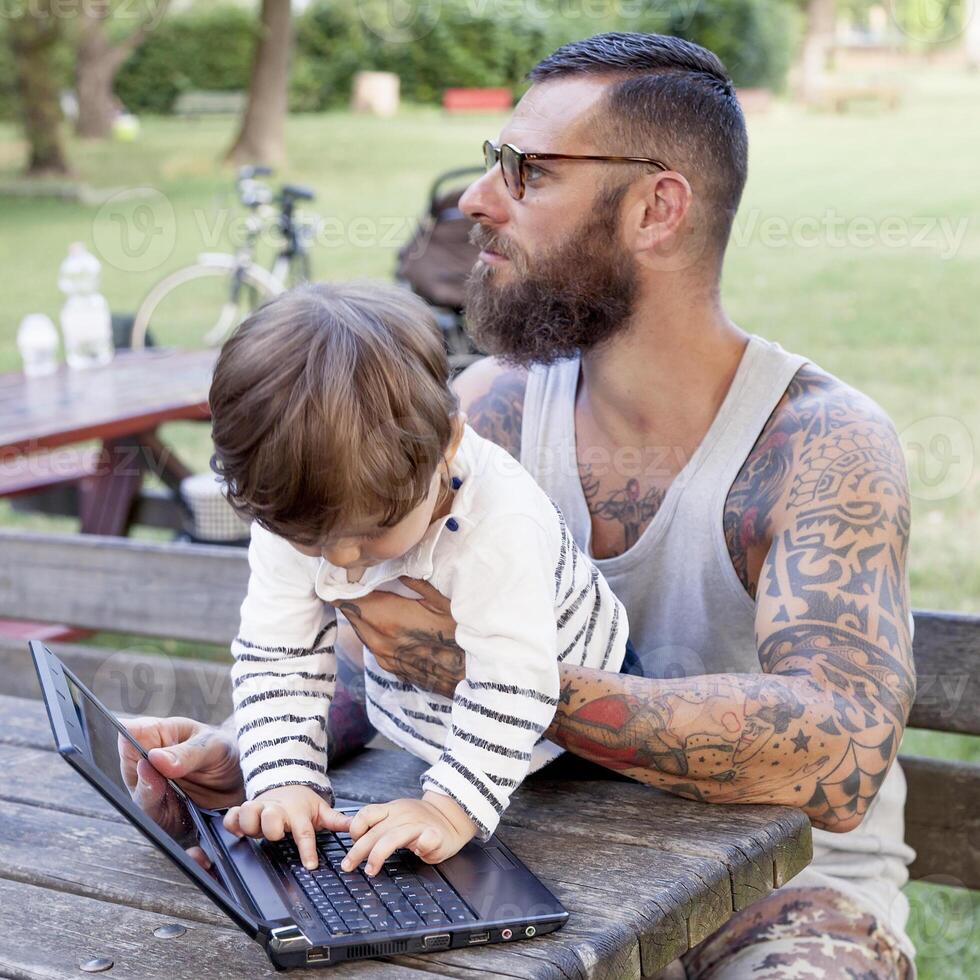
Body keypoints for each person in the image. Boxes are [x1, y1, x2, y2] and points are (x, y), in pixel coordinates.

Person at [121, 32, 916, 979]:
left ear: (657, 208)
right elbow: (367, 647)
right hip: (532, 855)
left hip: (778, 897)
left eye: (527, 171)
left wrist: (489, 673)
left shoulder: (822, 446)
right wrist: (255, 757)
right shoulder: (483, 407)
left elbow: (841, 759)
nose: (475, 199)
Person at [206, 280, 629, 876]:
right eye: (314, 542)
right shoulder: (297, 506)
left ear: (447, 445)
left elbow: (515, 681)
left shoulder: (498, 523)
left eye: (373, 531)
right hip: (444, 726)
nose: (345, 561)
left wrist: (449, 809)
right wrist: (285, 779)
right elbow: (279, 653)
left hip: (584, 738)